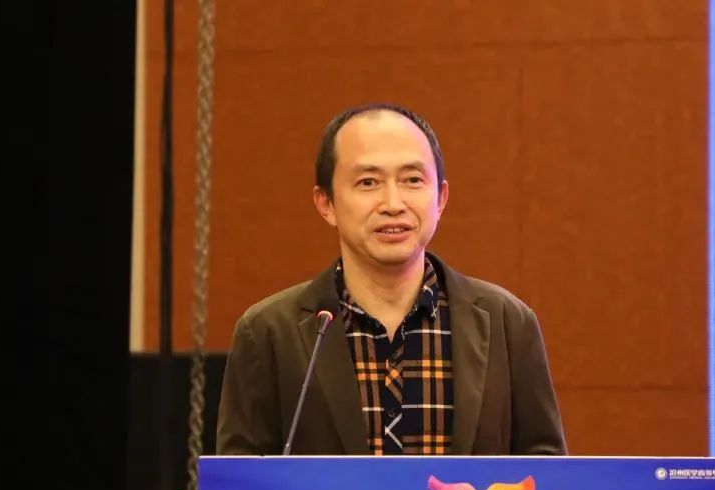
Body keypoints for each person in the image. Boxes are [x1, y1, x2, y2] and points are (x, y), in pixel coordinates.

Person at [216, 103, 566, 456]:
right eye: (368, 182)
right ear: (326, 203)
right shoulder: (269, 333)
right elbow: (241, 480)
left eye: (412, 180)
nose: (393, 203)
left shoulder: (507, 323)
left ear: (441, 198)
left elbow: (547, 471)